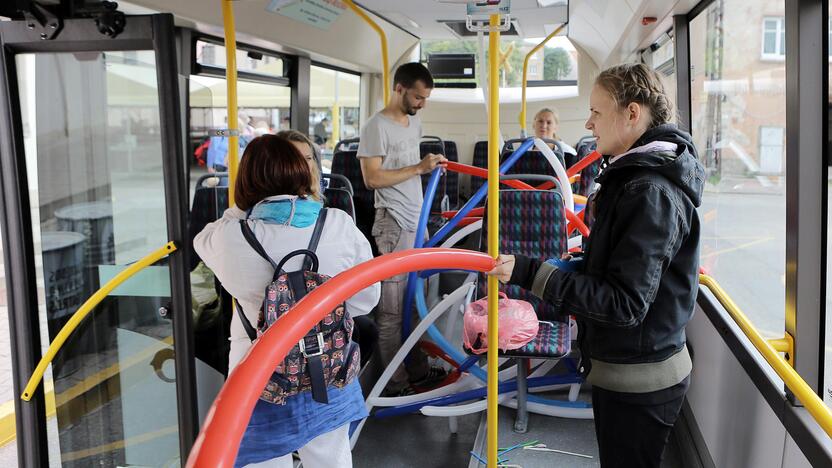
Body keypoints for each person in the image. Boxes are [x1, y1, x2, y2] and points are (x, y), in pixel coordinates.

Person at [489, 63, 704, 467]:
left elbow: (624, 304)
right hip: (626, 369)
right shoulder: (634, 178)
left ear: (633, 114)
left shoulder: (649, 192)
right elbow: (620, 268)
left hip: (640, 379)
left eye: (597, 112)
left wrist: (531, 274)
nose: (588, 123)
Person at [194, 135, 379, 468]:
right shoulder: (337, 224)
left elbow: (201, 238)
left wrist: (241, 206)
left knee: (266, 461)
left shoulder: (230, 237)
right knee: (330, 458)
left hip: (259, 371)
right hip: (328, 363)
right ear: (302, 173)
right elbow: (367, 299)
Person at [357, 62, 448, 397]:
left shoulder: (414, 121)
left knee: (415, 304)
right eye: (417, 97)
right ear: (399, 88)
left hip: (417, 219)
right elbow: (372, 178)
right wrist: (419, 167)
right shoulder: (375, 126)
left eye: (425, 99)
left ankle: (418, 370)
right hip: (393, 222)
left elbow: (407, 168)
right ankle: (394, 386)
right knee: (393, 313)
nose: (421, 103)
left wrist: (429, 165)